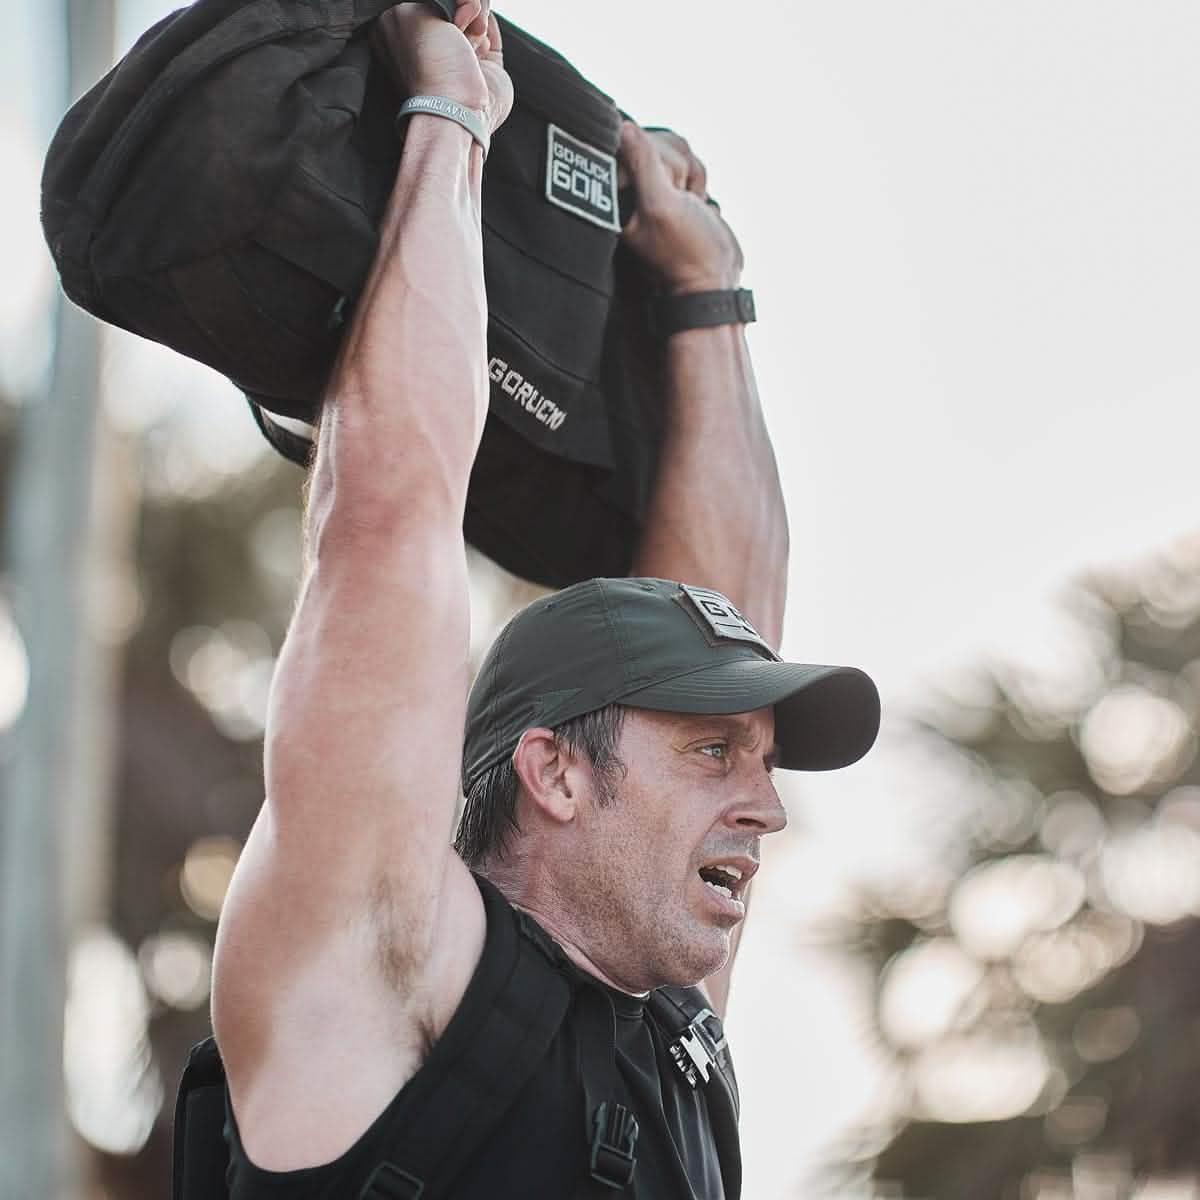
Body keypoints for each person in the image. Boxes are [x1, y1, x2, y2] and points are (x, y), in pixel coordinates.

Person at [209, 2, 880, 1196]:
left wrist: (707, 283)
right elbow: (387, 524)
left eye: (761, 757)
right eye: (716, 751)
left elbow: (724, 606)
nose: (765, 807)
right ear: (555, 773)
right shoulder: (387, 963)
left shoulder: (673, 1047)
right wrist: (450, 118)